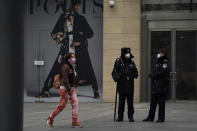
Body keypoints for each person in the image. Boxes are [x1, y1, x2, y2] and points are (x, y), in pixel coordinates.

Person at [38, 0, 100, 99]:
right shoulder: (62, 18)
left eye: (76, 6)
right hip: (66, 47)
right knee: (57, 67)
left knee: (87, 67)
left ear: (78, 6)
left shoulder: (81, 19)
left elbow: (90, 33)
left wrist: (79, 40)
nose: (74, 8)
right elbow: (54, 33)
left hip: (79, 48)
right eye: (73, 6)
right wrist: (58, 37)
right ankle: (45, 89)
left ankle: (95, 90)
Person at [47, 53, 84, 128]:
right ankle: (51, 117)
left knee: (75, 103)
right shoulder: (65, 67)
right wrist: (69, 89)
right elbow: (65, 79)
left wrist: (77, 82)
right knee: (62, 106)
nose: (74, 58)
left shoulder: (72, 67)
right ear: (68, 59)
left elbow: (73, 78)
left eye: (74, 57)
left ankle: (74, 121)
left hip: (72, 88)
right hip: (65, 89)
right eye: (73, 57)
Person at [143, 50, 170, 123]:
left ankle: (161, 118)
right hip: (155, 86)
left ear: (163, 54)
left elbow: (164, 72)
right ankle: (150, 117)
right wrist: (152, 75)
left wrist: (153, 75)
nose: (159, 54)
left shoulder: (165, 63)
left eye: (160, 53)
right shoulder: (158, 62)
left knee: (161, 104)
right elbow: (155, 71)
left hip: (161, 86)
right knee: (153, 103)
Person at [112, 47, 138, 122]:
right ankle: (120, 117)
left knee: (130, 103)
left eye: (128, 54)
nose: (128, 55)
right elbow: (114, 73)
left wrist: (134, 75)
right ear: (123, 54)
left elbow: (136, 73)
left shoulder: (132, 63)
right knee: (121, 103)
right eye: (126, 54)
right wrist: (116, 78)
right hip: (122, 86)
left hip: (130, 86)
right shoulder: (118, 63)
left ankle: (131, 117)